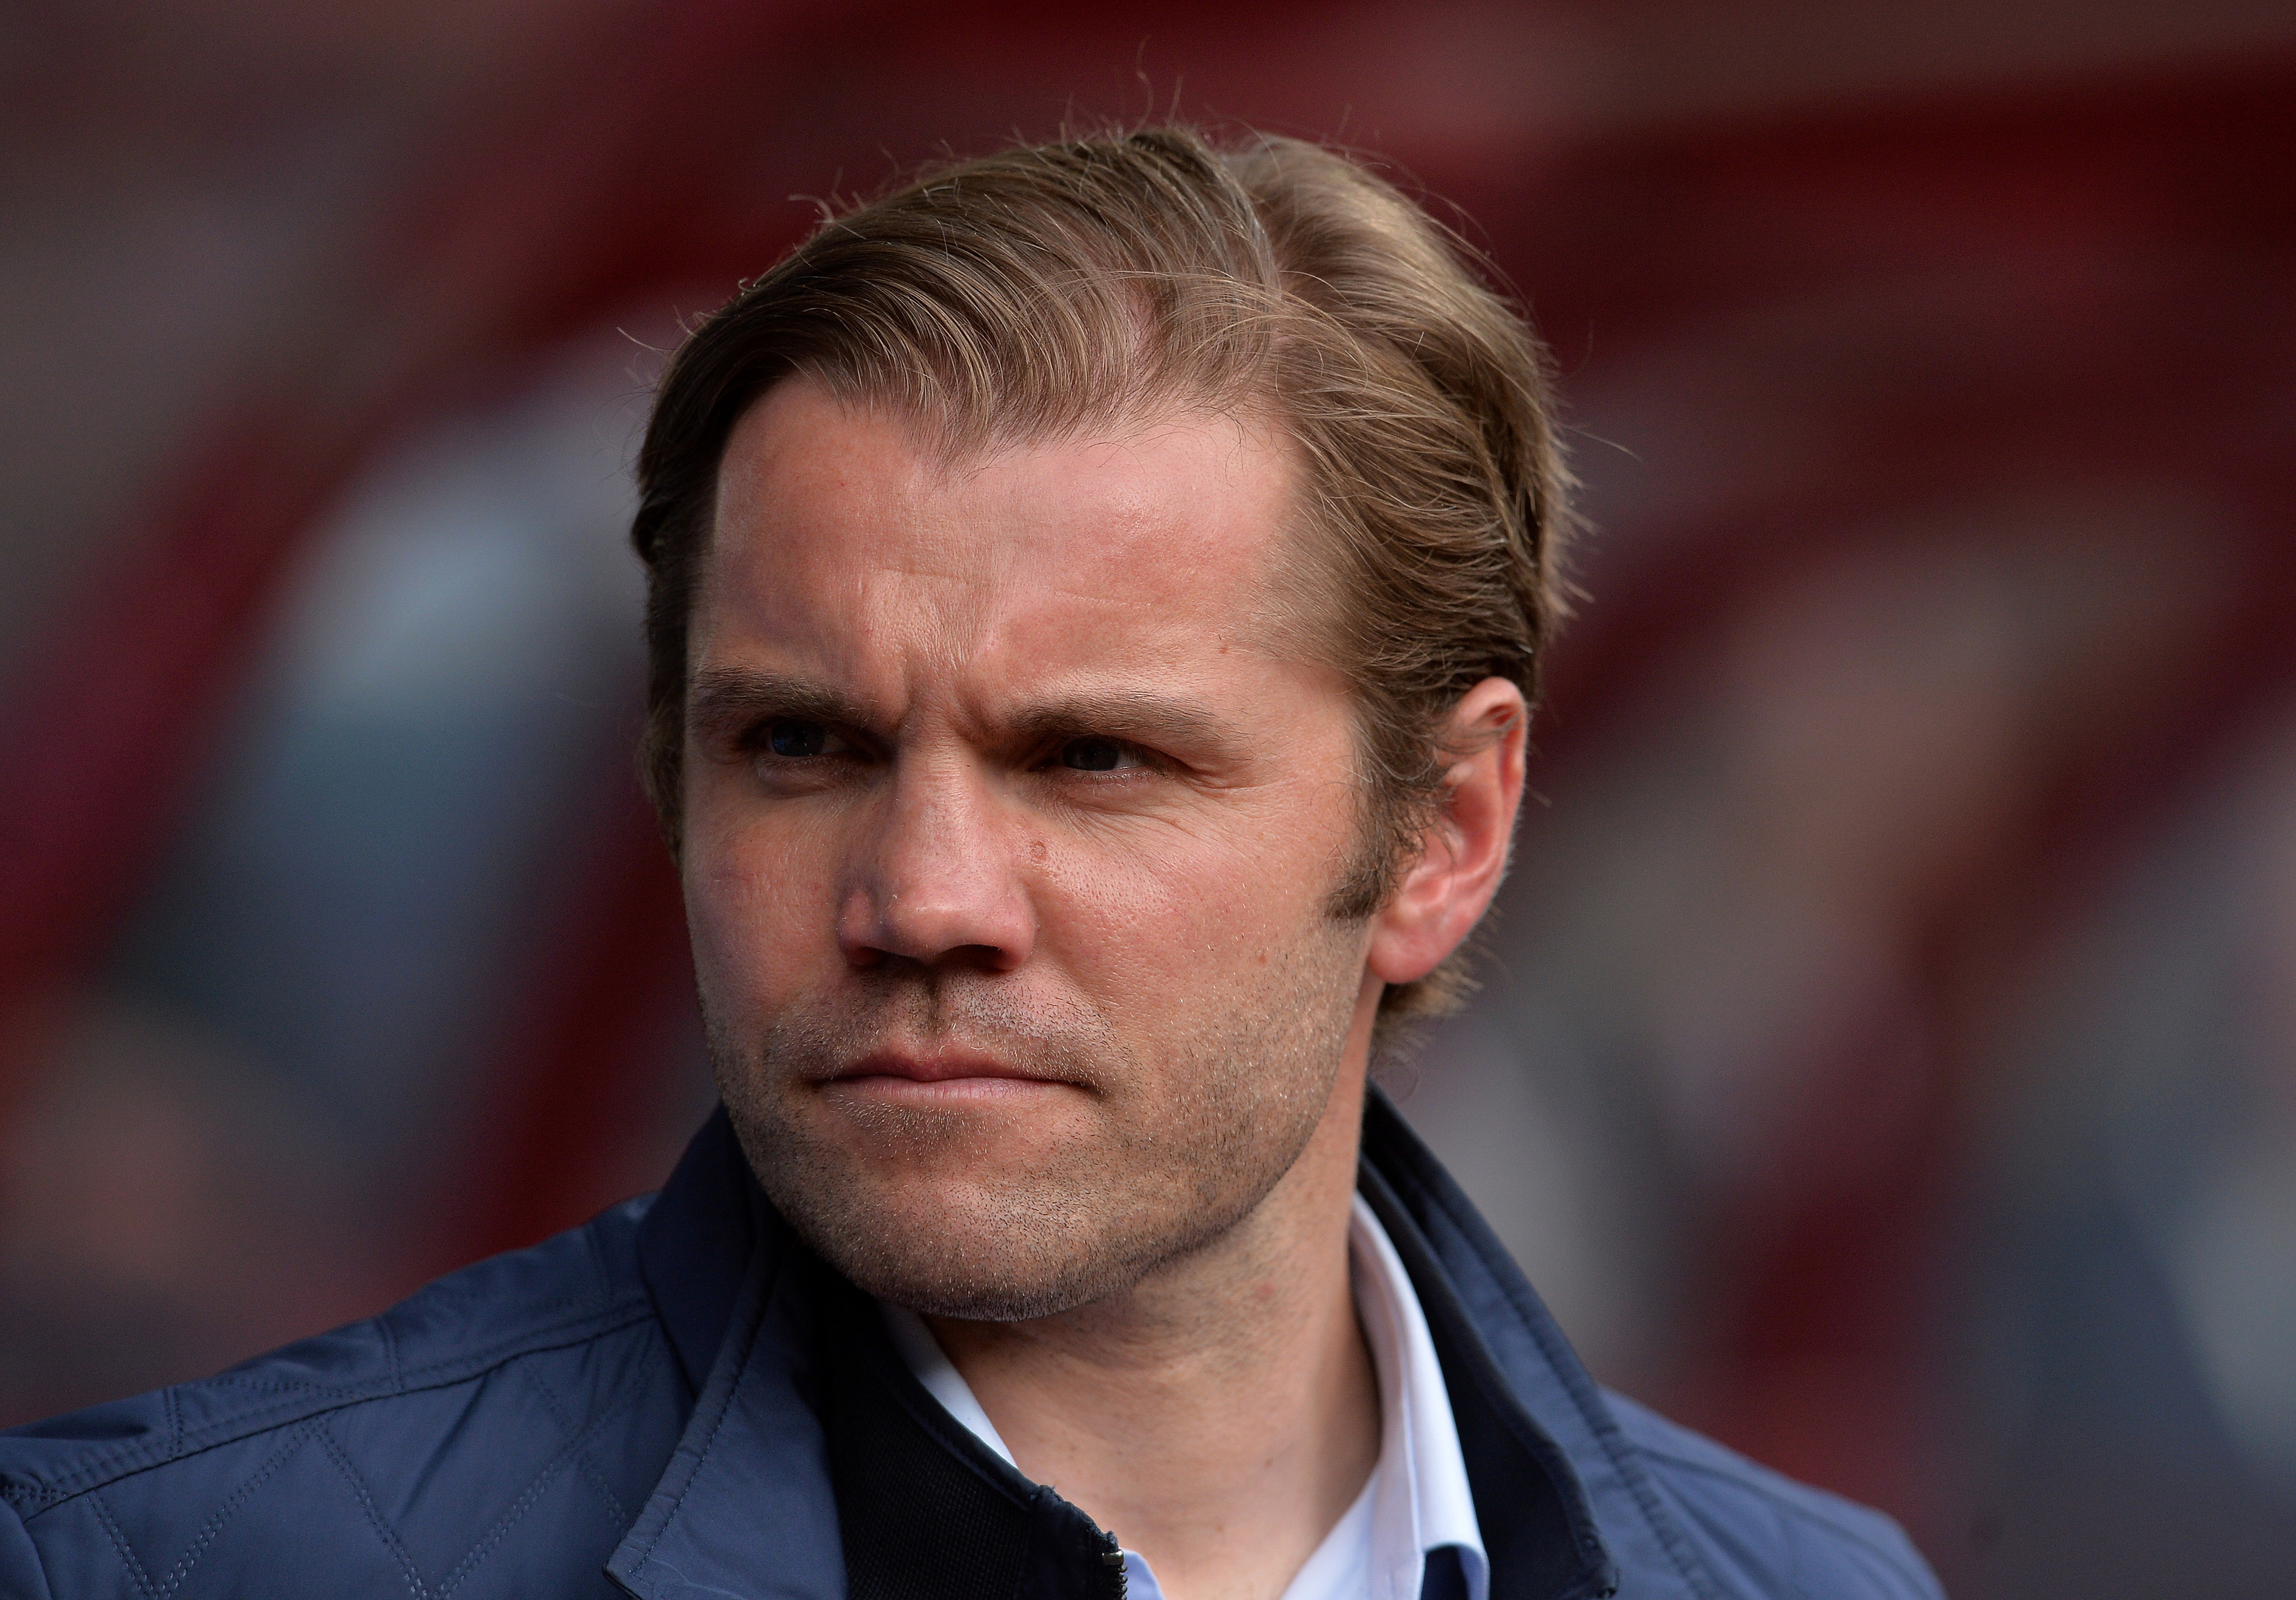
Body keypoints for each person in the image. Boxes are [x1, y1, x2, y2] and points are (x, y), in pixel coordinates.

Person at [0, 126, 1942, 1600]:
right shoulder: (160, 1563)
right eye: (802, 746)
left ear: (1443, 833)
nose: (922, 897)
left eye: (1090, 758)